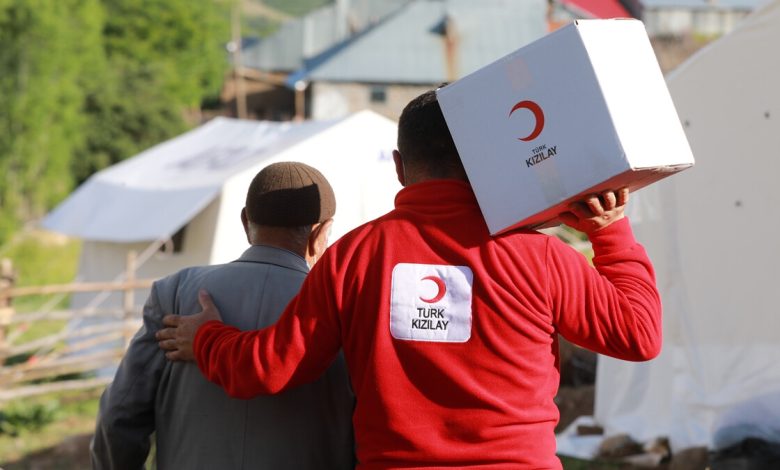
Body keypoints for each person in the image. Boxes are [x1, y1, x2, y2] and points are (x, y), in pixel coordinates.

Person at [157, 89, 662, 469]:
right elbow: (639, 335)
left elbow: (267, 369)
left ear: (399, 166)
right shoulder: (541, 257)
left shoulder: (354, 256)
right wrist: (609, 232)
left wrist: (205, 338)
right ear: (488, 161)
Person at [91, 162, 355, 470]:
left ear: (245, 222)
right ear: (321, 234)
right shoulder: (344, 307)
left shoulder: (175, 293)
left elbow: (119, 417)